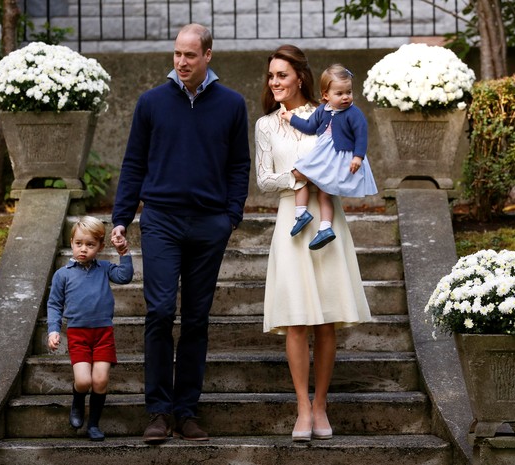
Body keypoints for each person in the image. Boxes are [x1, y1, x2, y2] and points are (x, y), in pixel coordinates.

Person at [110, 23, 250, 444]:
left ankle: (187, 412)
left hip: (209, 224)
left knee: (196, 318)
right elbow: (134, 162)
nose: (182, 62)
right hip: (161, 220)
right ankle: (158, 411)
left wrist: (231, 216)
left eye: (190, 55)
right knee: (157, 313)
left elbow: (239, 165)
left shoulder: (232, 104)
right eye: (177, 54)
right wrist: (121, 217)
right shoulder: (152, 102)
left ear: (208, 55)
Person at [255, 45, 372, 442]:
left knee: (326, 319)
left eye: (282, 76)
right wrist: (300, 177)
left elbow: (346, 155)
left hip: (327, 216)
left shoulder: (326, 114)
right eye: (271, 77)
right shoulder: (266, 125)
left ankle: (321, 404)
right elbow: (264, 179)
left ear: (300, 78)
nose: (275, 83)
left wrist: (330, 174)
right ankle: (302, 407)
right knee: (296, 318)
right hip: (291, 216)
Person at [47, 216, 133, 441]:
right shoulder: (63, 274)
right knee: (84, 381)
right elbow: (54, 304)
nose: (83, 249)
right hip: (78, 334)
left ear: (100, 247)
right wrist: (53, 330)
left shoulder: (104, 268)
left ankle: (93, 424)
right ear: (71, 242)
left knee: (100, 381)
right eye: (78, 244)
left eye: (90, 245)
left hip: (103, 332)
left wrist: (124, 254)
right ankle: (77, 400)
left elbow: (125, 277)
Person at [280, 63, 377, 250]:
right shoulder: (322, 111)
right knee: (307, 181)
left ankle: (314, 220)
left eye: (348, 92)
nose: (346, 97)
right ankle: (312, 220)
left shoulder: (353, 113)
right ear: (326, 95)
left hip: (339, 158)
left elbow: (361, 135)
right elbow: (309, 126)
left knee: (312, 182)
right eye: (339, 93)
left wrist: (358, 157)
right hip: (324, 156)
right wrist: (291, 118)